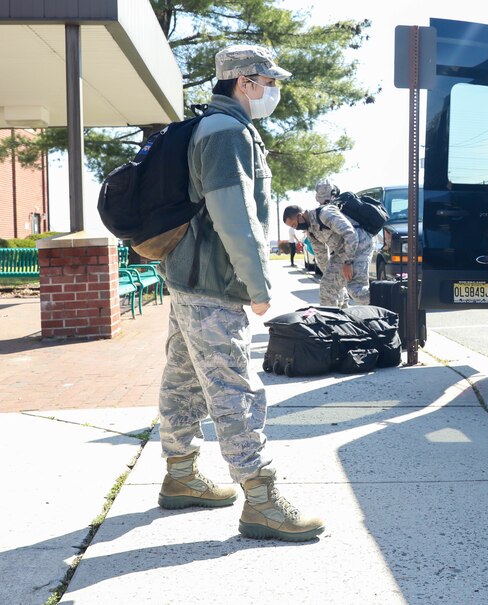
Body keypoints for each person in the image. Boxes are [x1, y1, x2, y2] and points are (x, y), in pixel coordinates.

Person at [156, 44, 325, 542]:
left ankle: (182, 475)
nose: (272, 91)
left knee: (184, 377)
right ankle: (261, 499)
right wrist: (258, 282)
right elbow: (237, 217)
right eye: (268, 82)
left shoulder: (211, 126)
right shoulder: (228, 132)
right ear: (244, 82)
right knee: (234, 387)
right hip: (214, 283)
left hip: (190, 278)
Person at [281, 189, 374, 308]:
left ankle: (389, 307)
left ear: (300, 216)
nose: (296, 228)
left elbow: (351, 234)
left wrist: (348, 262)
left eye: (294, 224)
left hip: (360, 245)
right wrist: (333, 279)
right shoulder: (311, 232)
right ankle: (334, 321)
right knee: (327, 287)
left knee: (357, 290)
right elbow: (322, 258)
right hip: (342, 252)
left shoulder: (325, 214)